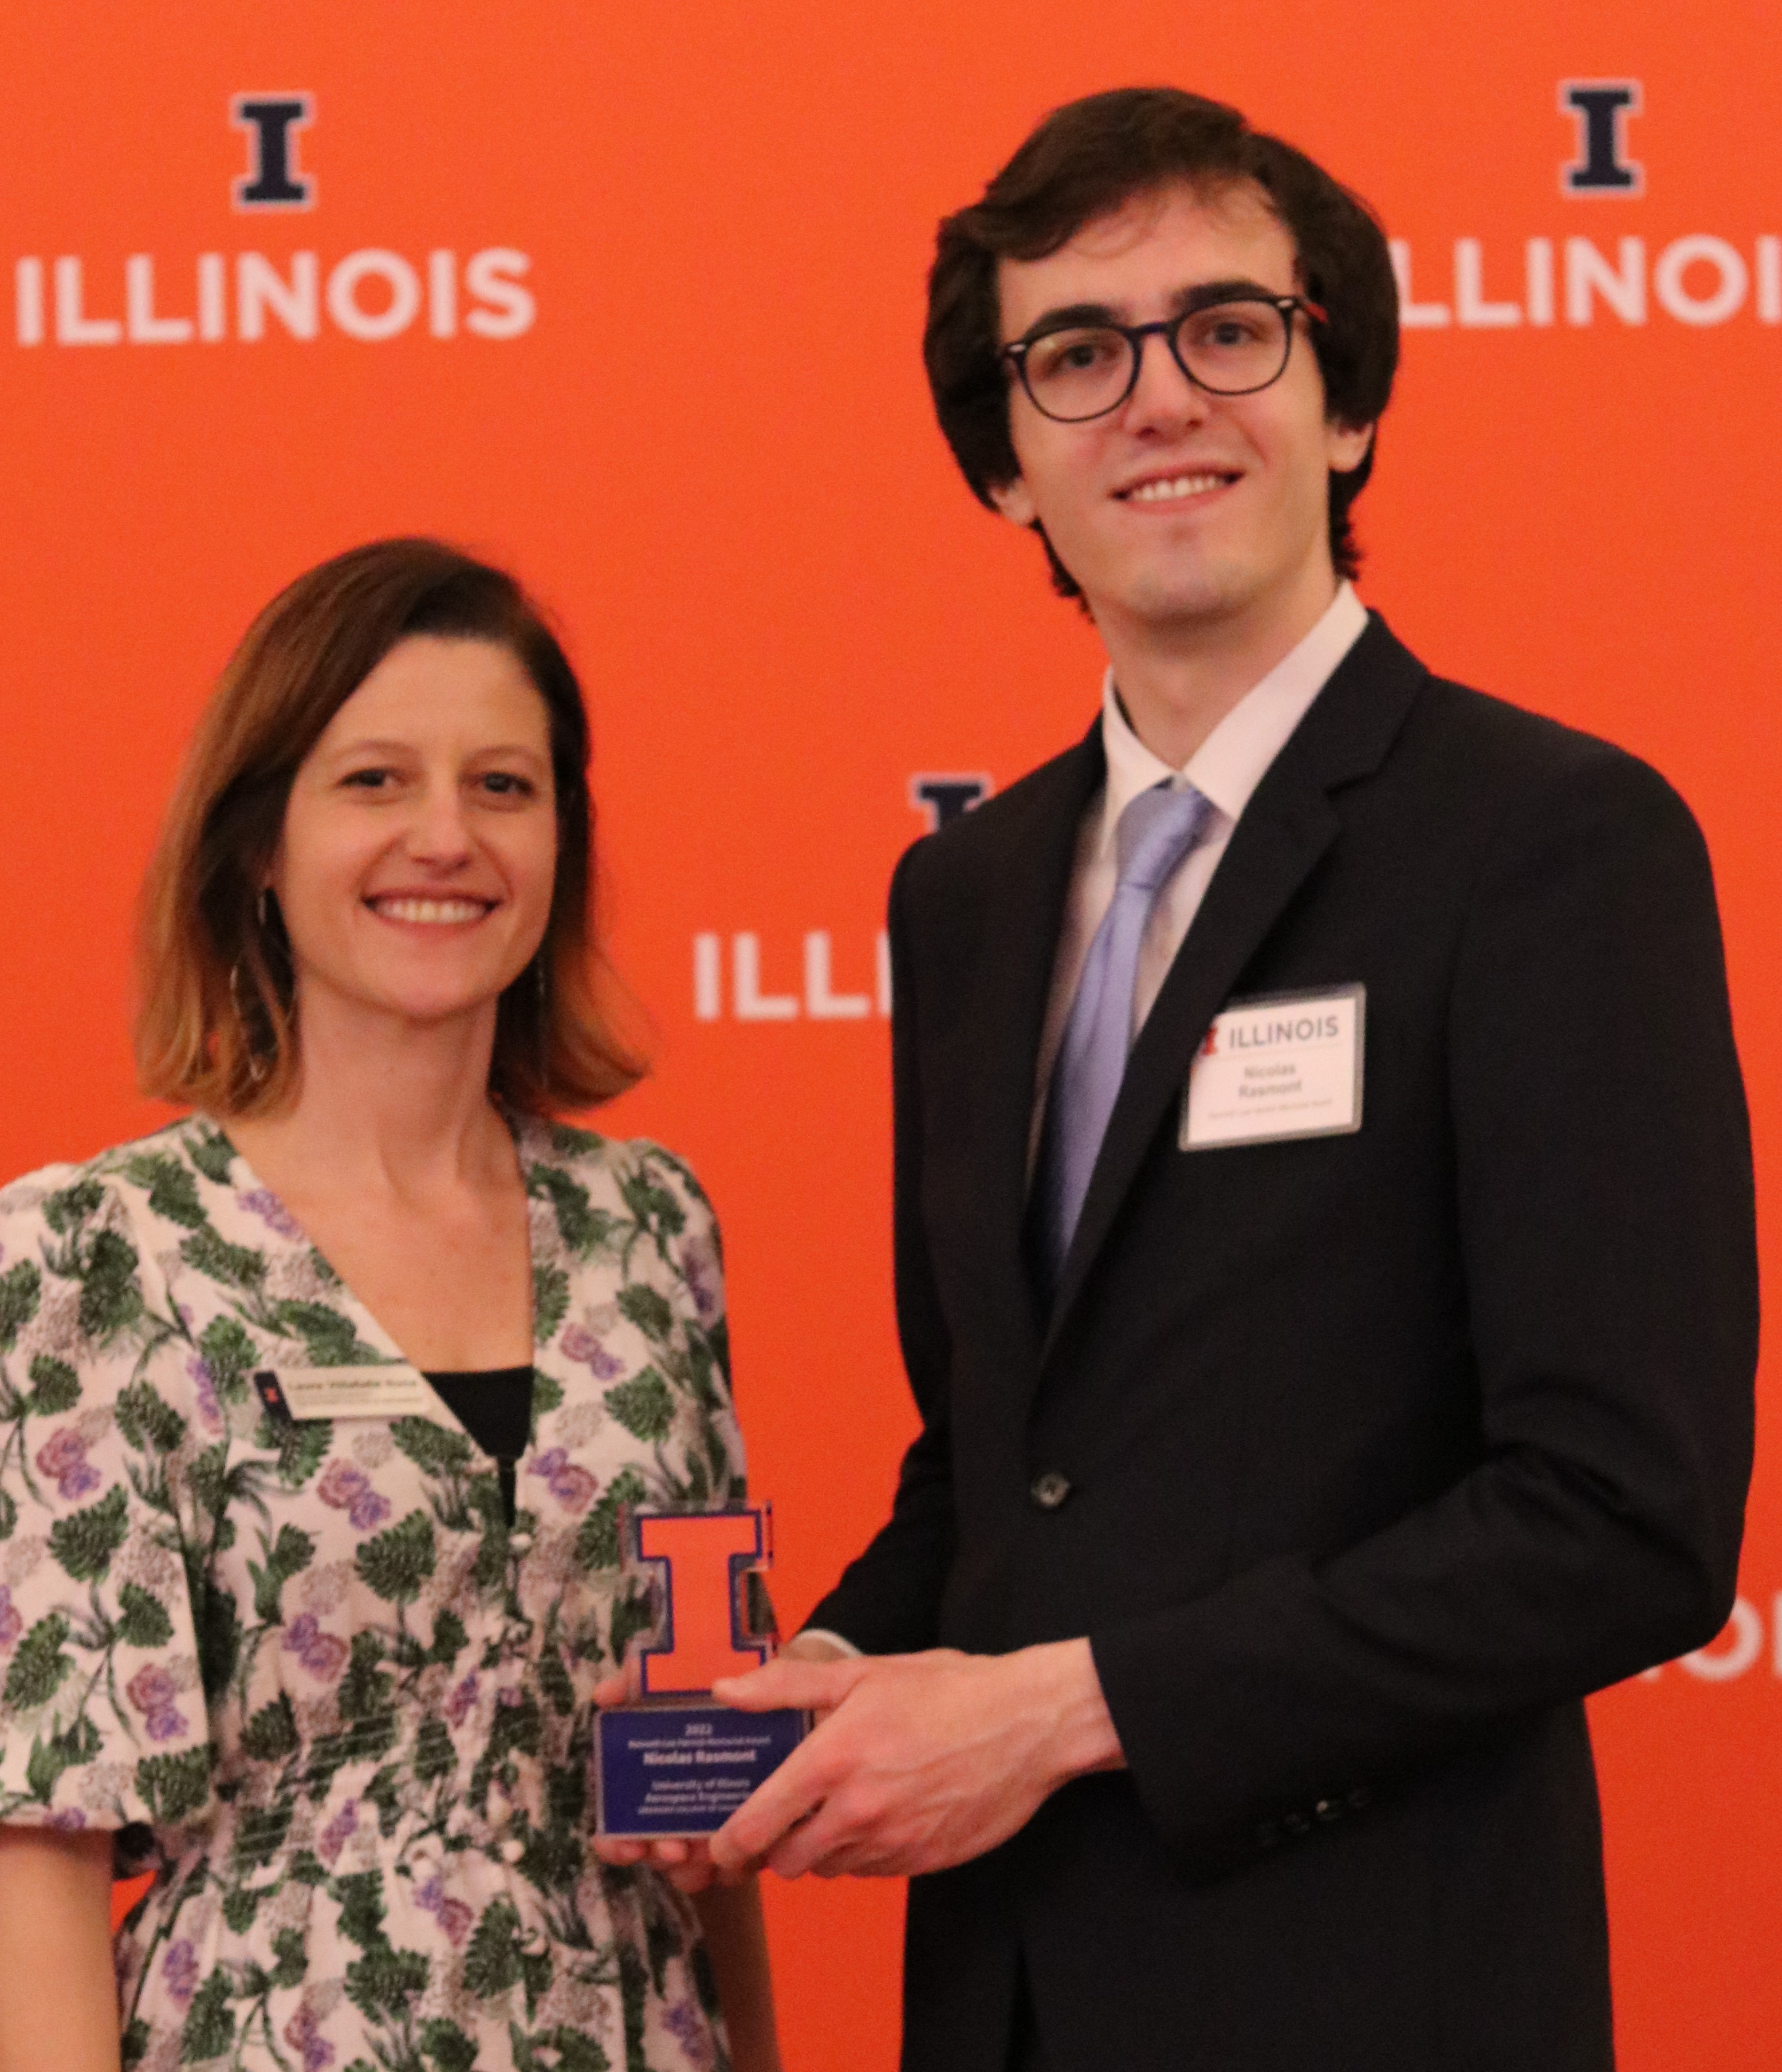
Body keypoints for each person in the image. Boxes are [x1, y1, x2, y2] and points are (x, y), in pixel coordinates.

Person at [673, 86, 1756, 2071]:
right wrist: (829, 1665)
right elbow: (1013, 1457)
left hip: (1381, 1997)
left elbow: (1624, 1515)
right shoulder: (967, 896)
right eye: (1075, 356)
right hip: (1007, 2001)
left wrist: (1062, 1707)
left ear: (1343, 404)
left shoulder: (1549, 841)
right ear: (1004, 463)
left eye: (1225, 329)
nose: (1157, 399)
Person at [0, 539, 782, 2072]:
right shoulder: (95, 1251)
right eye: (373, 781)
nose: (444, 836)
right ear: (258, 844)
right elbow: (38, 1840)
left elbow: (699, 1769)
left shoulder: (651, 1228)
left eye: (502, 786)